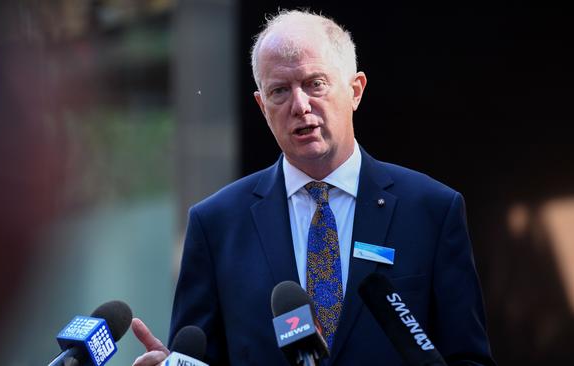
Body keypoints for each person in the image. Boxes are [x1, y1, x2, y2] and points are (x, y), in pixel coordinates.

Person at [132, 9, 495, 366]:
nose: (300, 105)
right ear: (262, 106)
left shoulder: (430, 210)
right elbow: (199, 356)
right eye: (279, 91)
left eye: (315, 84)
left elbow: (469, 357)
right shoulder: (216, 225)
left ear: (355, 91)